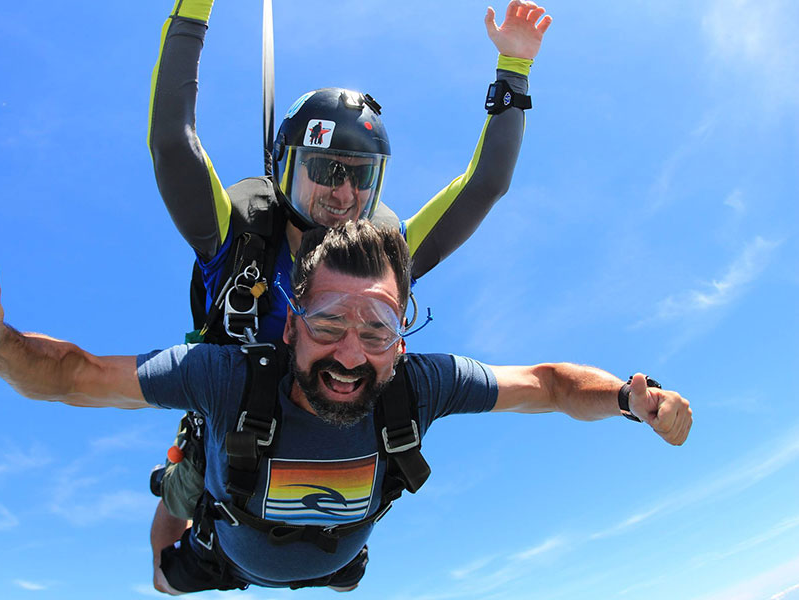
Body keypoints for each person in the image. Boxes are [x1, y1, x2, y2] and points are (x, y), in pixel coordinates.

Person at [0, 221, 693, 593]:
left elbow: (555, 385)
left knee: (335, 569)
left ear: (403, 339)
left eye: (377, 328)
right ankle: (174, 492)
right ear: (290, 326)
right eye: (328, 325)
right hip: (225, 553)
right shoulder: (227, 377)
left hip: (335, 559)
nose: (351, 355)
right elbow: (76, 374)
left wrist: (631, 399)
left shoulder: (420, 386)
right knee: (166, 571)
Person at [146, 0, 553, 576]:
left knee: (342, 576)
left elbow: (485, 185)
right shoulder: (236, 241)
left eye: (360, 175)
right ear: (284, 165)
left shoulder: (385, 257)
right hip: (229, 437)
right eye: (326, 169)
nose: (343, 194)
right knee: (168, 561)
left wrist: (515, 66)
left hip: (335, 454)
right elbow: (172, 142)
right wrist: (193, 9)